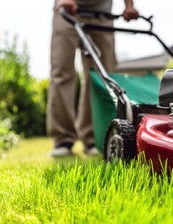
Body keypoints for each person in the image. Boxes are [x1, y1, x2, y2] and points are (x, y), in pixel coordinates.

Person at [47, 0, 139, 156]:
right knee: (62, 71)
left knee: (101, 77)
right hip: (66, 10)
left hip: (101, 12)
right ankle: (63, 139)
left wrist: (129, 5)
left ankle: (93, 138)